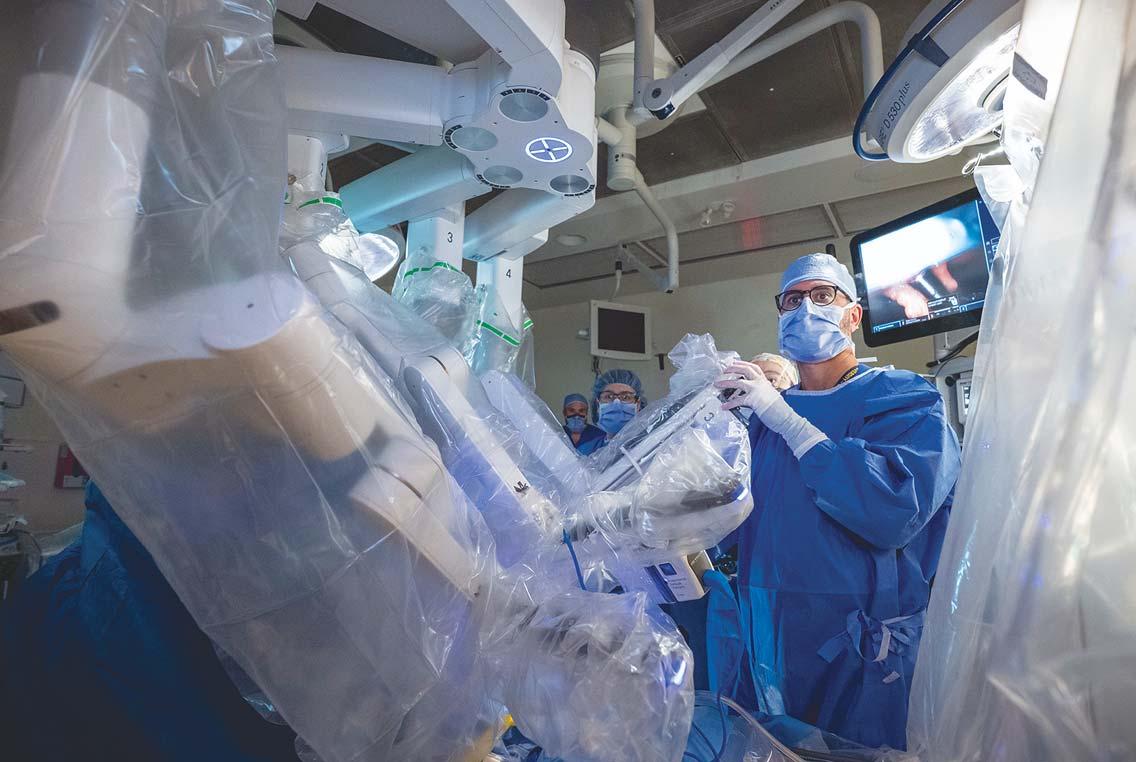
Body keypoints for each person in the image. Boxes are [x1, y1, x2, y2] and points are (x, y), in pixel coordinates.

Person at [714, 253, 961, 750]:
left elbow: (893, 511)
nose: (805, 308)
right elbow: (734, 529)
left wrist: (787, 422)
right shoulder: (762, 419)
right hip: (772, 645)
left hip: (864, 655)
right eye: (792, 300)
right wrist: (705, 436)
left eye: (822, 295)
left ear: (853, 316)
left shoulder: (904, 397)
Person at [591, 368, 646, 446]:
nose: (616, 403)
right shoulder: (587, 449)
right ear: (597, 404)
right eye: (609, 396)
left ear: (638, 404)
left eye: (626, 397)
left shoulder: (650, 446)